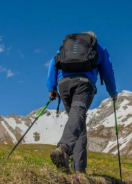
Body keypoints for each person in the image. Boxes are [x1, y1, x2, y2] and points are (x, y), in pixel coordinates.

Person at [47, 31, 117, 173]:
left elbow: (53, 62)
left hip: (64, 85)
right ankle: (64, 149)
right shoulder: (99, 48)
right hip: (83, 84)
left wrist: (51, 88)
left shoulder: (67, 46)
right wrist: (113, 93)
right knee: (78, 116)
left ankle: (75, 169)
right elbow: (108, 73)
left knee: (78, 122)